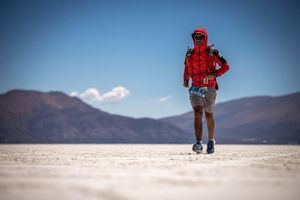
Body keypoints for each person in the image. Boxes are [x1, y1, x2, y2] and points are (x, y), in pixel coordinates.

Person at [183, 27, 229, 154]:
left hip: (209, 87)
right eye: (196, 37)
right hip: (195, 87)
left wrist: (215, 75)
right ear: (193, 38)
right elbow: (186, 67)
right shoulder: (189, 53)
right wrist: (185, 79)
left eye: (201, 37)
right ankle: (198, 143)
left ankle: (211, 141)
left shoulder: (212, 52)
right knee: (197, 112)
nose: (198, 40)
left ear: (205, 38)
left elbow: (226, 66)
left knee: (208, 114)